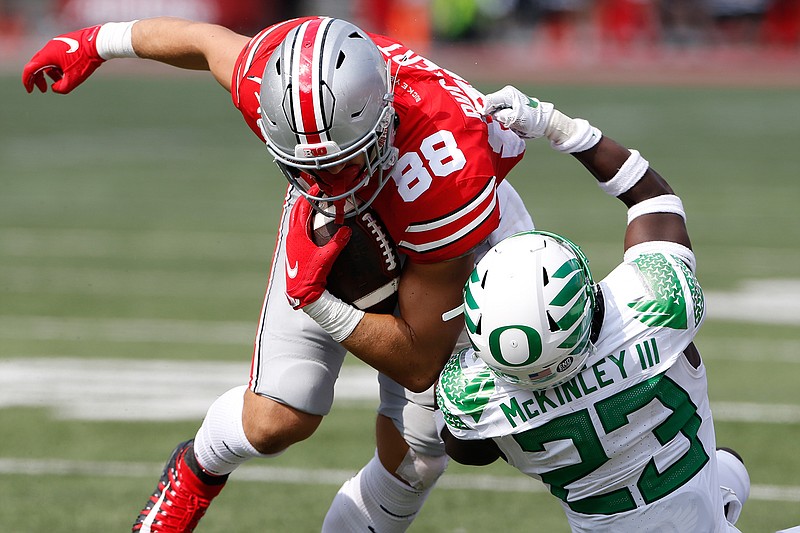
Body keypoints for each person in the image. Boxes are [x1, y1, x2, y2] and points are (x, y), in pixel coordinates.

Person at [22, 16, 533, 533]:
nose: (327, 181)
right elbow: (204, 41)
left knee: (420, 451)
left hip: (448, 235)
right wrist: (94, 42)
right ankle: (193, 474)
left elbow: (419, 361)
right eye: (309, 164)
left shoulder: (449, 168)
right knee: (277, 418)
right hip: (342, 219)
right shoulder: (279, 84)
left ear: (382, 122)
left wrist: (318, 301)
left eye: (341, 163)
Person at [435, 86, 751, 531]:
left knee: (728, 470)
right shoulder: (657, 306)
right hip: (692, 506)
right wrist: (558, 126)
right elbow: (653, 200)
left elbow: (466, 448)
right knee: (726, 465)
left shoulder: (472, 400)